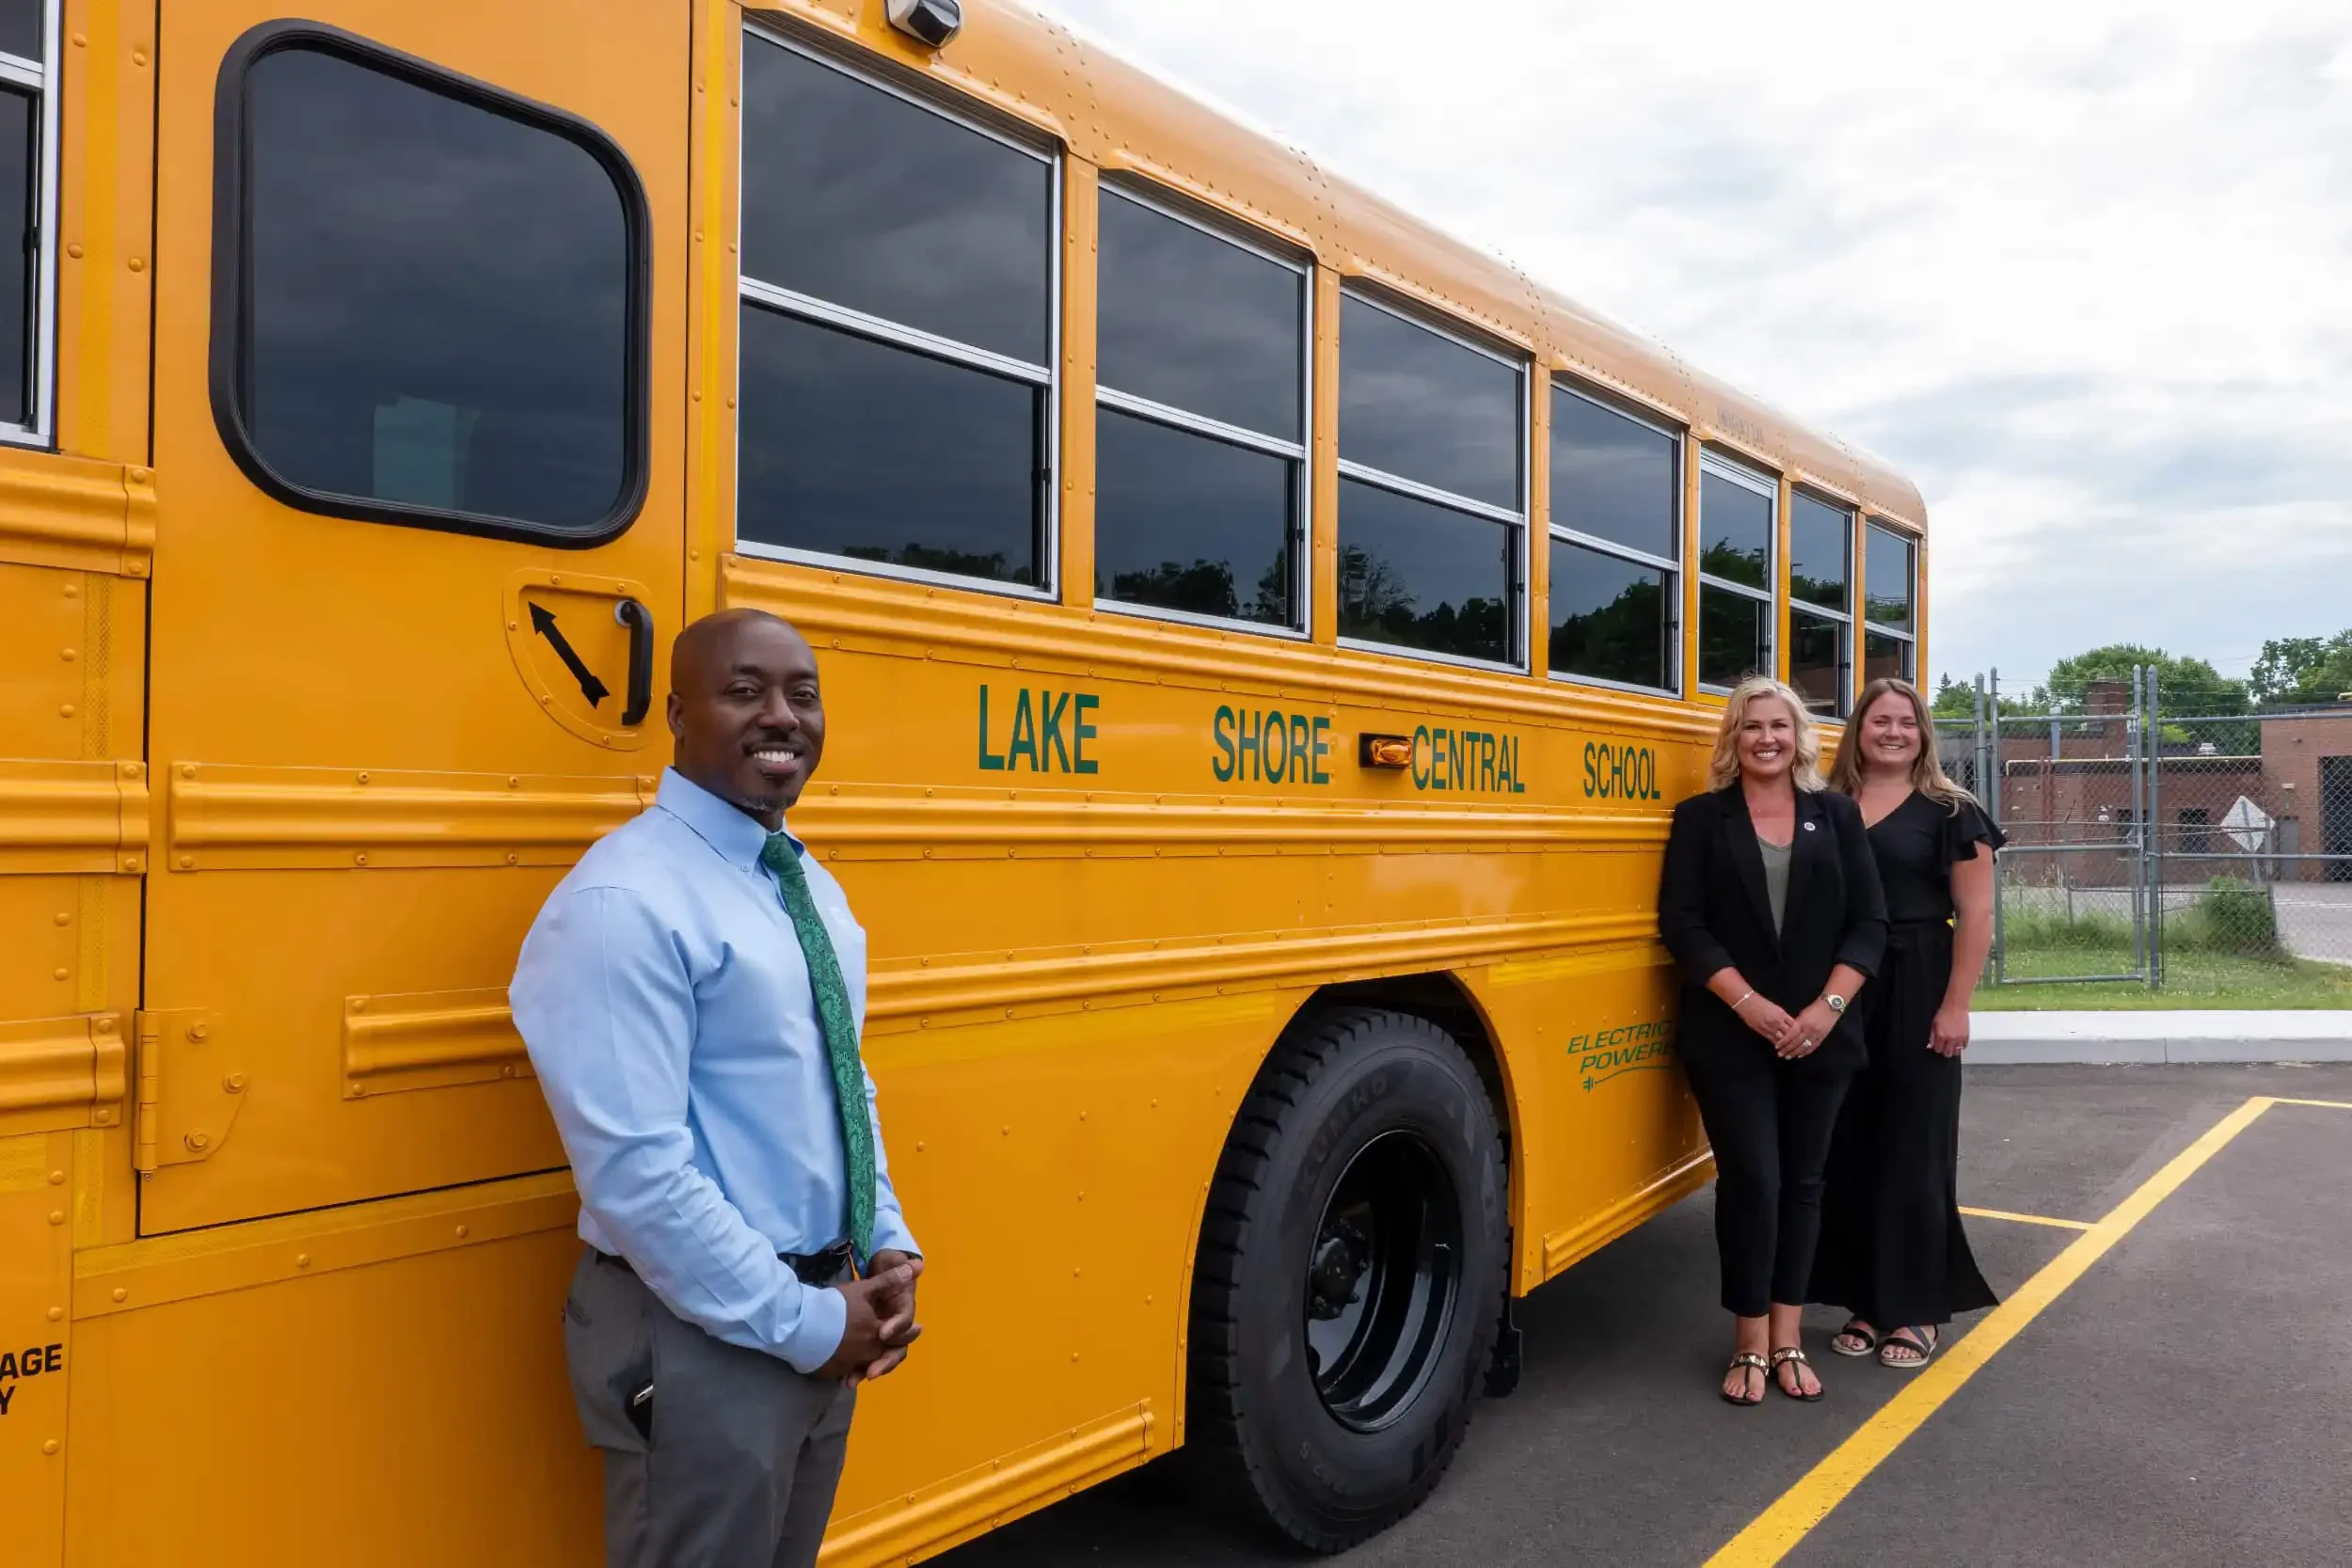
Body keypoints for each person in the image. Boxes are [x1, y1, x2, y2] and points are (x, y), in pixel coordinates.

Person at [511, 608, 924, 1568]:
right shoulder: (624, 901)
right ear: (677, 713)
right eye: (745, 690)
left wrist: (884, 1238)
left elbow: (838, 1076)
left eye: (803, 693)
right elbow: (638, 1174)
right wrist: (811, 1324)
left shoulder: (802, 882)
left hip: (817, 1308)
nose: (781, 715)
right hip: (700, 1335)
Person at [1659, 675, 1887, 1406]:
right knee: (1754, 1182)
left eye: (1779, 726)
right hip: (1731, 1037)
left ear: (1799, 736)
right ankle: (1749, 1342)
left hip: (1822, 1036)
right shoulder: (1700, 818)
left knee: (1803, 1184)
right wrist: (1749, 1004)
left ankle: (1789, 1337)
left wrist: (1825, 1008)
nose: (1766, 738)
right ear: (1732, 738)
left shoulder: (1838, 815)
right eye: (1752, 726)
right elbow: (1684, 924)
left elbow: (1869, 923)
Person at [1811, 677, 2002, 1370]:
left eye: (1906, 722)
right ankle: (1867, 1298)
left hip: (1919, 978)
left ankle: (1916, 1306)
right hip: (1843, 984)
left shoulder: (1953, 810)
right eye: (1879, 720)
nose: (1893, 732)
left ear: (1924, 734)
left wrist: (1956, 1003)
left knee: (1913, 1144)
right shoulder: (1828, 807)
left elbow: (1976, 913)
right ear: (1858, 729)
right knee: (1850, 1142)